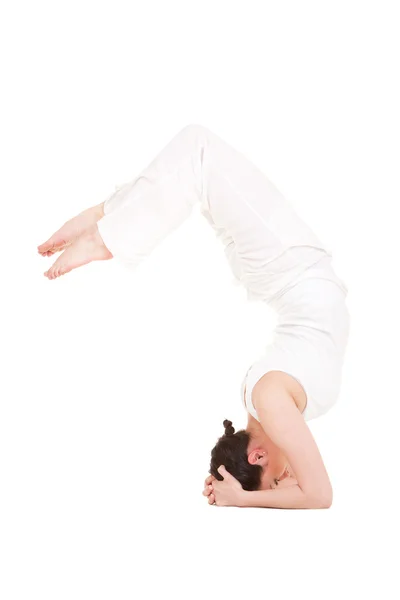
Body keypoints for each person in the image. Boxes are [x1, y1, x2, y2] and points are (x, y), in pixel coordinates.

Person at [37, 124, 350, 509]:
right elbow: (317, 493)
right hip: (288, 270)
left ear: (258, 457)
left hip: (287, 267)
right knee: (198, 166)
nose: (287, 482)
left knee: (199, 153)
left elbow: (315, 494)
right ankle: (105, 221)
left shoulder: (269, 403)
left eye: (273, 484)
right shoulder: (266, 406)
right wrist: (238, 493)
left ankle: (106, 230)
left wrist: (239, 493)